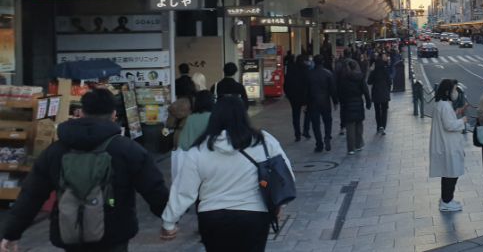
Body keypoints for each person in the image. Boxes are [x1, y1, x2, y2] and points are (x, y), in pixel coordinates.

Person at [1, 89, 169, 252]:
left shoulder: (56, 150)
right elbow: (153, 188)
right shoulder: (128, 149)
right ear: (113, 115)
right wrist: (169, 220)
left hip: (70, 230)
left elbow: (32, 194)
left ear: (81, 113)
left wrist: (12, 233)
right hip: (114, 233)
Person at [159, 96, 293, 252]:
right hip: (254, 215)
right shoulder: (263, 141)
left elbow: (184, 190)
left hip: (212, 217)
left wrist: (169, 222)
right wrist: (279, 205)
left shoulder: (200, 148)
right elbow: (284, 174)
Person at [429, 79, 468, 212]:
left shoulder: (441, 104)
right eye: (454, 89)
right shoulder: (445, 105)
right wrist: (462, 120)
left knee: (448, 173)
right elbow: (449, 125)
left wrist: (456, 113)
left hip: (446, 144)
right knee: (451, 174)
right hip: (448, 145)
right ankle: (446, 201)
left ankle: (447, 199)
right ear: (447, 92)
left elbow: (447, 119)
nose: (455, 92)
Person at [337, 60, 371, 155]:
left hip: (348, 104)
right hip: (358, 102)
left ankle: (350, 148)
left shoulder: (344, 78)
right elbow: (365, 90)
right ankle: (358, 144)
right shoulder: (360, 77)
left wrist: (342, 102)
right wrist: (368, 102)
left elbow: (340, 92)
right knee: (359, 124)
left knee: (350, 126)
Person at [307, 55, 337, 152]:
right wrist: (335, 102)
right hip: (325, 101)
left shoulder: (309, 74)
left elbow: (306, 90)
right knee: (327, 120)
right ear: (323, 62)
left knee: (316, 124)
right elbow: (333, 89)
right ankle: (327, 137)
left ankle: (319, 143)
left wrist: (305, 103)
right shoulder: (328, 73)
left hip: (313, 101)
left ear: (314, 62)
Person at [284, 54, 309, 142]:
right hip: (305, 96)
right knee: (308, 114)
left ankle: (297, 134)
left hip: (294, 97)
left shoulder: (291, 69)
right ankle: (306, 130)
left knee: (295, 115)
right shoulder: (307, 70)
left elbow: (286, 84)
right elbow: (309, 85)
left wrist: (288, 95)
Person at [368, 54, 392, 135]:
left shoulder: (374, 72)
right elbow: (390, 82)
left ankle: (379, 126)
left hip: (376, 94)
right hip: (384, 93)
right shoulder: (385, 70)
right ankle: (383, 127)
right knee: (384, 111)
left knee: (377, 111)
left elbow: (369, 82)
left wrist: (371, 71)